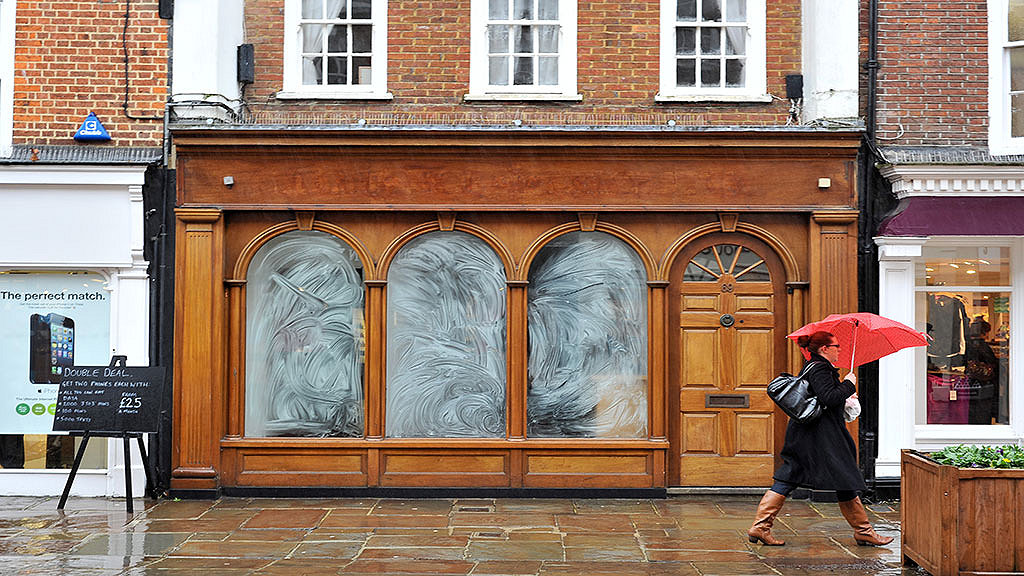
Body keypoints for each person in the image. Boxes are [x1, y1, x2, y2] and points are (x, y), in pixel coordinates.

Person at [748, 330, 893, 547]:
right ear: (824, 349)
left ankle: (760, 527)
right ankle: (864, 531)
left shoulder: (813, 366)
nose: (840, 350)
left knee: (789, 476)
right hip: (823, 435)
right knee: (844, 478)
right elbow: (828, 398)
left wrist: (843, 391)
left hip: (805, 433)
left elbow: (823, 398)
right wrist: (848, 385)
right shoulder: (821, 369)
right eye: (836, 347)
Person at [965, 318, 998, 425]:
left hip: (972, 382)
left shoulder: (968, 344)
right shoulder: (984, 347)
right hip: (984, 384)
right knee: (983, 411)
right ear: (984, 333)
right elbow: (992, 363)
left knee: (973, 410)